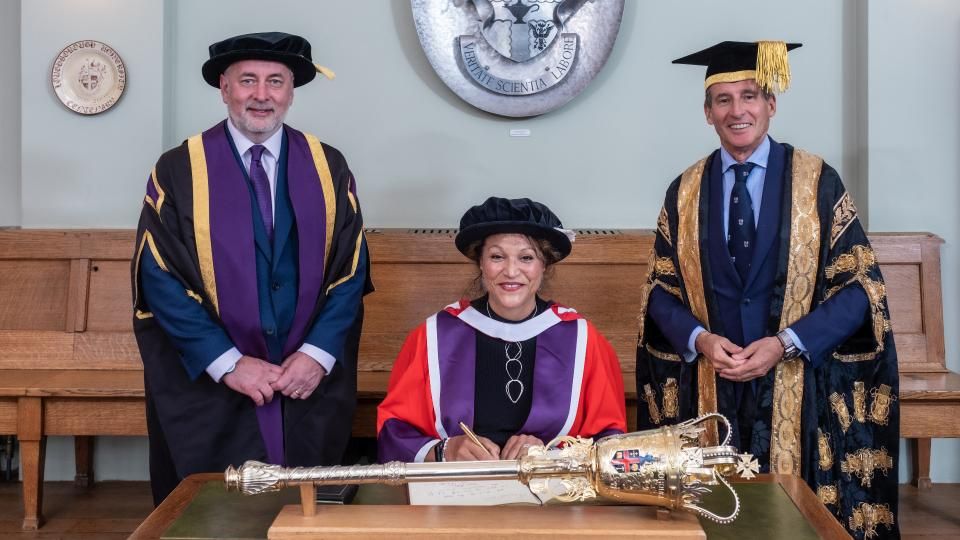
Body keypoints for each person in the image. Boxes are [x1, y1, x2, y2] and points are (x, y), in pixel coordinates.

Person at [636, 41, 899, 539]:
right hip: (712, 382)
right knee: (715, 521)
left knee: (791, 523)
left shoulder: (817, 182)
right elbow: (658, 292)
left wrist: (787, 342)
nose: (738, 111)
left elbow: (862, 287)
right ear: (707, 112)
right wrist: (701, 341)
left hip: (797, 385)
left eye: (750, 96)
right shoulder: (684, 189)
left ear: (771, 105)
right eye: (723, 100)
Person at [131, 32, 371, 504]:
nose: (262, 95)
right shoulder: (180, 170)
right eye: (248, 80)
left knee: (308, 513)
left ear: (290, 91)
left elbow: (351, 267)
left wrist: (318, 354)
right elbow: (160, 278)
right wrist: (229, 363)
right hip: (217, 385)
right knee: (216, 516)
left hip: (305, 379)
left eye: (275, 82)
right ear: (224, 88)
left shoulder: (328, 166)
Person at [377, 197, 626, 462]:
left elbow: (611, 443)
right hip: (456, 493)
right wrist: (444, 450)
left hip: (554, 495)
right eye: (497, 257)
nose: (510, 270)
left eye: (526, 258)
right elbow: (394, 431)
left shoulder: (583, 340)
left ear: (544, 265)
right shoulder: (434, 336)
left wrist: (550, 454)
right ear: (481, 263)